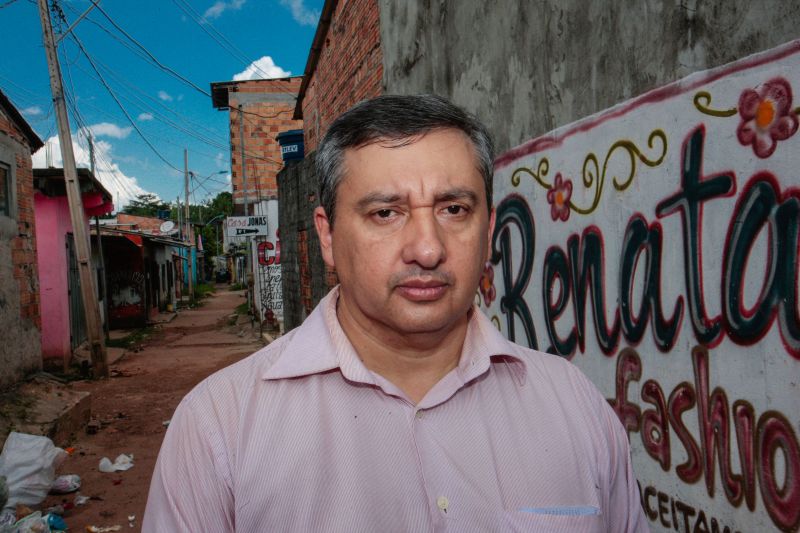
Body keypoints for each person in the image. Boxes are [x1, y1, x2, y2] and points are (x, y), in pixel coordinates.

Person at [143, 95, 648, 532]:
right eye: (386, 213)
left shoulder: (572, 406)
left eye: (454, 209)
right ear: (327, 235)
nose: (427, 249)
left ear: (489, 227)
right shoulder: (220, 428)